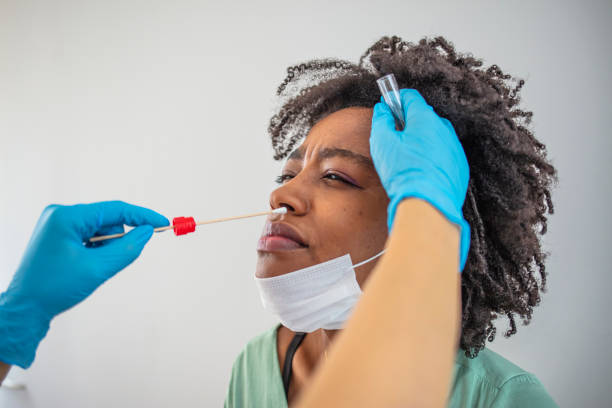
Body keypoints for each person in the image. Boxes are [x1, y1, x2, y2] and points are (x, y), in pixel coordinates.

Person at [224, 35, 558, 407]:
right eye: (286, 176)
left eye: (336, 176)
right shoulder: (253, 366)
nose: (280, 197)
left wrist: (428, 209)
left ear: (406, 216)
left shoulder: (501, 397)